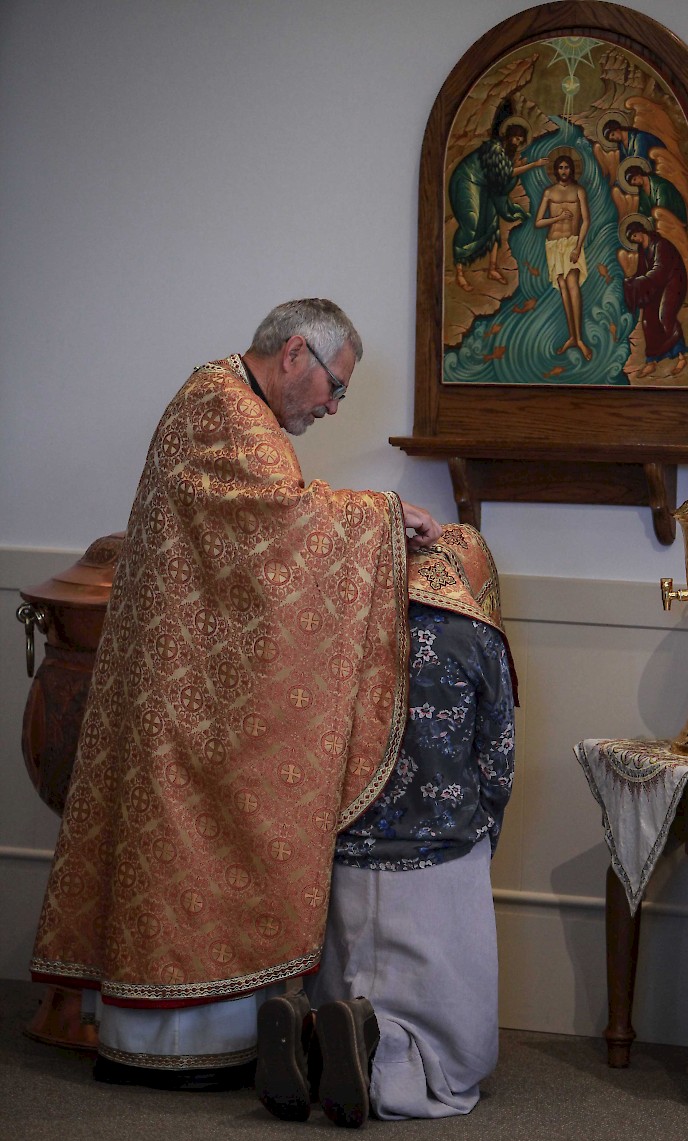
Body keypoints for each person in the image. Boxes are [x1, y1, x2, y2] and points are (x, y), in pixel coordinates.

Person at [30, 298, 441, 1089]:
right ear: (295, 353)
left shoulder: (221, 400)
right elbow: (281, 524)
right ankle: (174, 1047)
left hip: (182, 679)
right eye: (335, 387)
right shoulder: (227, 412)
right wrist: (388, 516)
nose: (332, 406)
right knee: (201, 836)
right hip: (186, 696)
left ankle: (195, 1038)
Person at [255, 523, 516, 1126]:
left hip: (345, 846)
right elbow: (496, 754)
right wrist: (485, 834)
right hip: (441, 851)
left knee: (346, 972)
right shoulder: (477, 636)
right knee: (447, 1026)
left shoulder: (344, 624)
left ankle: (309, 1033)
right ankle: (391, 1053)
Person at [449, 101, 548, 292]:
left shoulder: (507, 155)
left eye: (520, 140)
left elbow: (503, 179)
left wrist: (517, 167)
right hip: (467, 180)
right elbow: (506, 174)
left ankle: (492, 268)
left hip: (485, 186)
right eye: (516, 138)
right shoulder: (494, 148)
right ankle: (459, 272)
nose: (517, 143)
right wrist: (533, 165)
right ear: (508, 135)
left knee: (493, 223)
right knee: (472, 222)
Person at [534, 152, 592, 360]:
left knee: (573, 285)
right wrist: (557, 218)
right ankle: (572, 337)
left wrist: (578, 247)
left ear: (572, 169)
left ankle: (580, 339)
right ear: (556, 171)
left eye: (567, 167)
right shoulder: (549, 192)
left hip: (571, 243)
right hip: (553, 244)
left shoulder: (579, 190)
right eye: (560, 168)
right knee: (564, 291)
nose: (564, 171)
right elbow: (538, 222)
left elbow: (586, 221)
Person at [622, 220, 688, 377]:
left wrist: (641, 281)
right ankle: (651, 361)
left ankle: (681, 357)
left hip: (673, 282)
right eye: (632, 239)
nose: (635, 240)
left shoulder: (660, 244)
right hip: (656, 284)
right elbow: (642, 271)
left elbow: (660, 269)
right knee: (648, 319)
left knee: (665, 316)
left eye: (634, 236)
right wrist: (633, 280)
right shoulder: (642, 249)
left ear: (640, 231)